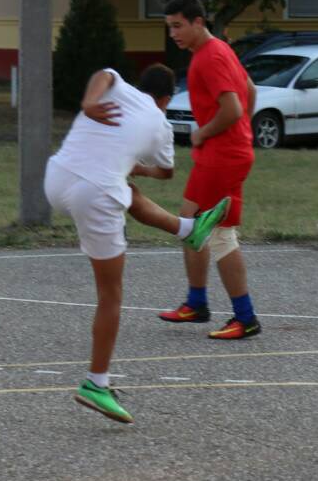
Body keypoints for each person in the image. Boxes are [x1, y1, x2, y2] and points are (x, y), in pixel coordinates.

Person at [45, 64, 230, 423]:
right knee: (110, 296)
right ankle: (96, 384)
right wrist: (138, 165)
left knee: (126, 191)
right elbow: (167, 172)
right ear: (166, 99)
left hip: (56, 178)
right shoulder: (160, 124)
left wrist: (88, 103)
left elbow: (102, 72)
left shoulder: (117, 88)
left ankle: (188, 230)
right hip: (94, 192)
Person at [157, 0, 262, 340]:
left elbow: (231, 107)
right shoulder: (220, 49)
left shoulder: (209, 57)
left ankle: (244, 317)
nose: (173, 33)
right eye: (169, 26)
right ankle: (196, 303)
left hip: (222, 156)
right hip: (228, 152)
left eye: (178, 25)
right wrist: (241, 132)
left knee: (216, 233)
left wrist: (203, 133)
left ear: (198, 22)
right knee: (189, 222)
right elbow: (250, 89)